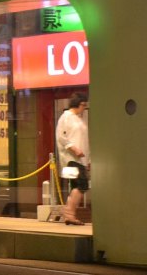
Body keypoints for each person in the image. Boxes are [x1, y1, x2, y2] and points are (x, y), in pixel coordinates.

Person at [56, 92, 90, 226]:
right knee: (81, 184)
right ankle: (69, 213)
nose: (84, 107)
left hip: (80, 158)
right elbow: (61, 137)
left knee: (78, 185)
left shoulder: (79, 119)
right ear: (77, 103)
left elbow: (84, 141)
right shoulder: (66, 117)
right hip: (71, 158)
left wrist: (87, 159)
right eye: (83, 104)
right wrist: (74, 148)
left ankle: (69, 214)